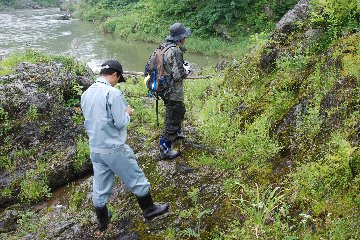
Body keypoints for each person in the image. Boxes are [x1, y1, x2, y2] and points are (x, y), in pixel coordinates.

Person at [81, 60, 169, 234]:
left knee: (100, 185)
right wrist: (127, 113)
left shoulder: (87, 93)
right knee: (136, 177)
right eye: (117, 79)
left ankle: (103, 222)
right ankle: (149, 209)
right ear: (115, 74)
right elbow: (120, 123)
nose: (116, 82)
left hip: (96, 148)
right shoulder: (113, 93)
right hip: (113, 147)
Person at [159, 22, 192, 159]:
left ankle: (177, 132)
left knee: (177, 111)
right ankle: (165, 148)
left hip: (163, 89)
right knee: (173, 117)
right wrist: (187, 71)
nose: (185, 39)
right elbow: (178, 75)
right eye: (185, 36)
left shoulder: (164, 47)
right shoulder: (176, 51)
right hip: (173, 91)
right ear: (180, 38)